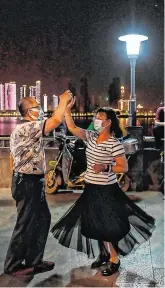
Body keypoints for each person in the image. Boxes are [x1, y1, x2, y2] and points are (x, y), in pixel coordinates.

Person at [51, 99, 155, 276]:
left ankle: (114, 259)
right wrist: (67, 110)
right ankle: (104, 254)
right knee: (94, 222)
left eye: (99, 117)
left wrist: (105, 167)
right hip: (91, 187)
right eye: (95, 117)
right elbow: (72, 128)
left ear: (107, 122)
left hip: (106, 189)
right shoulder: (91, 136)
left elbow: (123, 167)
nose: (95, 120)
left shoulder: (114, 143)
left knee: (107, 225)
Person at [4, 90, 73, 276]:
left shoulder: (26, 129)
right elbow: (55, 121)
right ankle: (13, 265)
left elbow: (12, 158)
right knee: (25, 223)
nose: (41, 110)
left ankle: (35, 260)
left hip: (31, 181)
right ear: (29, 111)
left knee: (42, 219)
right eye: (37, 107)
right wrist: (63, 100)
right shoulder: (26, 128)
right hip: (27, 183)